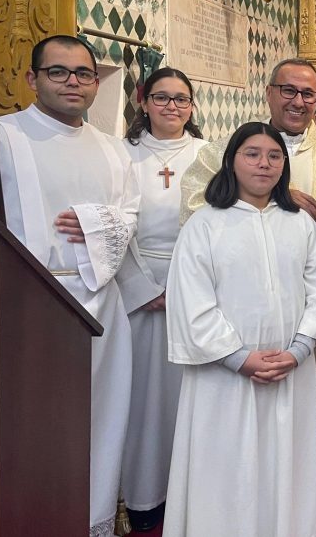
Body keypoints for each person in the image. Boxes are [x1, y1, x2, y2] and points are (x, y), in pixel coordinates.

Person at [0, 34, 152, 537]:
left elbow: (129, 218)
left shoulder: (116, 151)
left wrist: (99, 223)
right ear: (32, 79)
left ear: (97, 84)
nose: (73, 82)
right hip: (25, 303)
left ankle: (91, 521)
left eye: (83, 74)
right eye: (58, 72)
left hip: (101, 307)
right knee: (31, 424)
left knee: (100, 418)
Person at [179, 57, 316, 517]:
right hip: (227, 366)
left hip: (297, 358)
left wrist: (298, 348)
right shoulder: (209, 207)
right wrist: (237, 357)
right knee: (228, 463)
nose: (298, 100)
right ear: (270, 92)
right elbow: (194, 294)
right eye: (288, 90)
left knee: (289, 456)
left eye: (308, 93)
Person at [117, 67, 207, 532]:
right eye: (162, 98)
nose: (172, 107)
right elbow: (112, 225)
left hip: (196, 289)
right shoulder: (121, 154)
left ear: (192, 106)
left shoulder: (209, 155)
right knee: (141, 399)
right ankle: (143, 498)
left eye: (181, 99)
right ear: (143, 101)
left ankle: (188, 494)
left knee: (188, 397)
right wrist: (142, 287)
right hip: (139, 290)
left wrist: (190, 288)